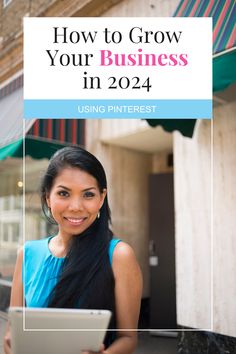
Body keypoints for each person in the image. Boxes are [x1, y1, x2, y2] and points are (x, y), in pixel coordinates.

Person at [4, 146, 143, 354]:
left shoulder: (119, 255)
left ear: (102, 198)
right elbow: (13, 332)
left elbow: (128, 338)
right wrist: (10, 344)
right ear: (48, 198)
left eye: (88, 194)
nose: (76, 206)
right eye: (63, 193)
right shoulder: (27, 254)